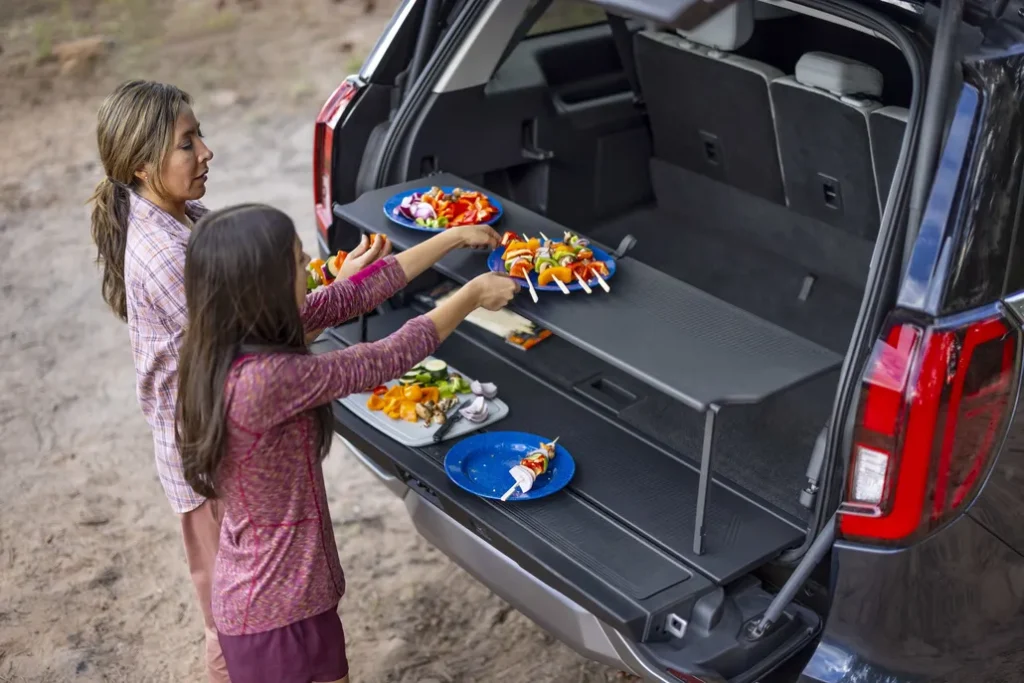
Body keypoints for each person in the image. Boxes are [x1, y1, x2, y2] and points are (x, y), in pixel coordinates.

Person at [86, 79, 497, 682]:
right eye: (187, 142)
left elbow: (318, 306)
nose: (206, 151)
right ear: (145, 165)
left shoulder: (194, 228)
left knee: (236, 620)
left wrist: (442, 241)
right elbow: (372, 357)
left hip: (270, 574)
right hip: (271, 588)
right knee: (228, 640)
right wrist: (469, 294)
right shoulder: (256, 368)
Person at [175, 203, 517, 683]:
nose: (309, 272)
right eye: (298, 263)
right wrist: (472, 294)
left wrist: (452, 238)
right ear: (263, 288)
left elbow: (350, 295)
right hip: (281, 613)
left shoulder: (226, 344)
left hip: (269, 597)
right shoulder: (264, 380)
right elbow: (382, 359)